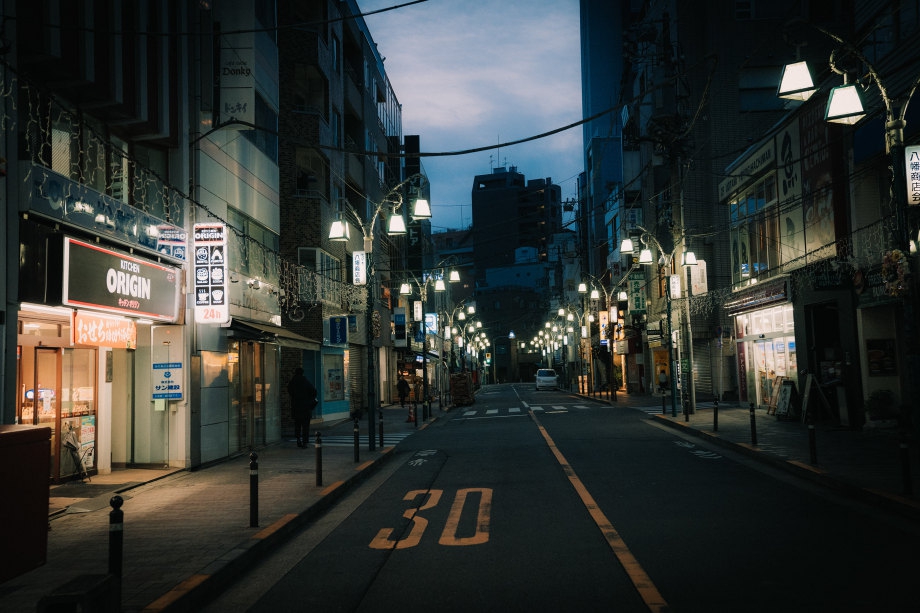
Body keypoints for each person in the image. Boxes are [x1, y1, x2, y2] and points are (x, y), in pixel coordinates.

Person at [288, 367, 317, 448]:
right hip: (305, 407)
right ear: (302, 373)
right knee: (305, 426)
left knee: (297, 425)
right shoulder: (305, 381)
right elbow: (314, 391)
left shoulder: (292, 382)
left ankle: (298, 439)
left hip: (296, 406)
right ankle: (305, 442)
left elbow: (289, 391)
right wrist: (309, 399)